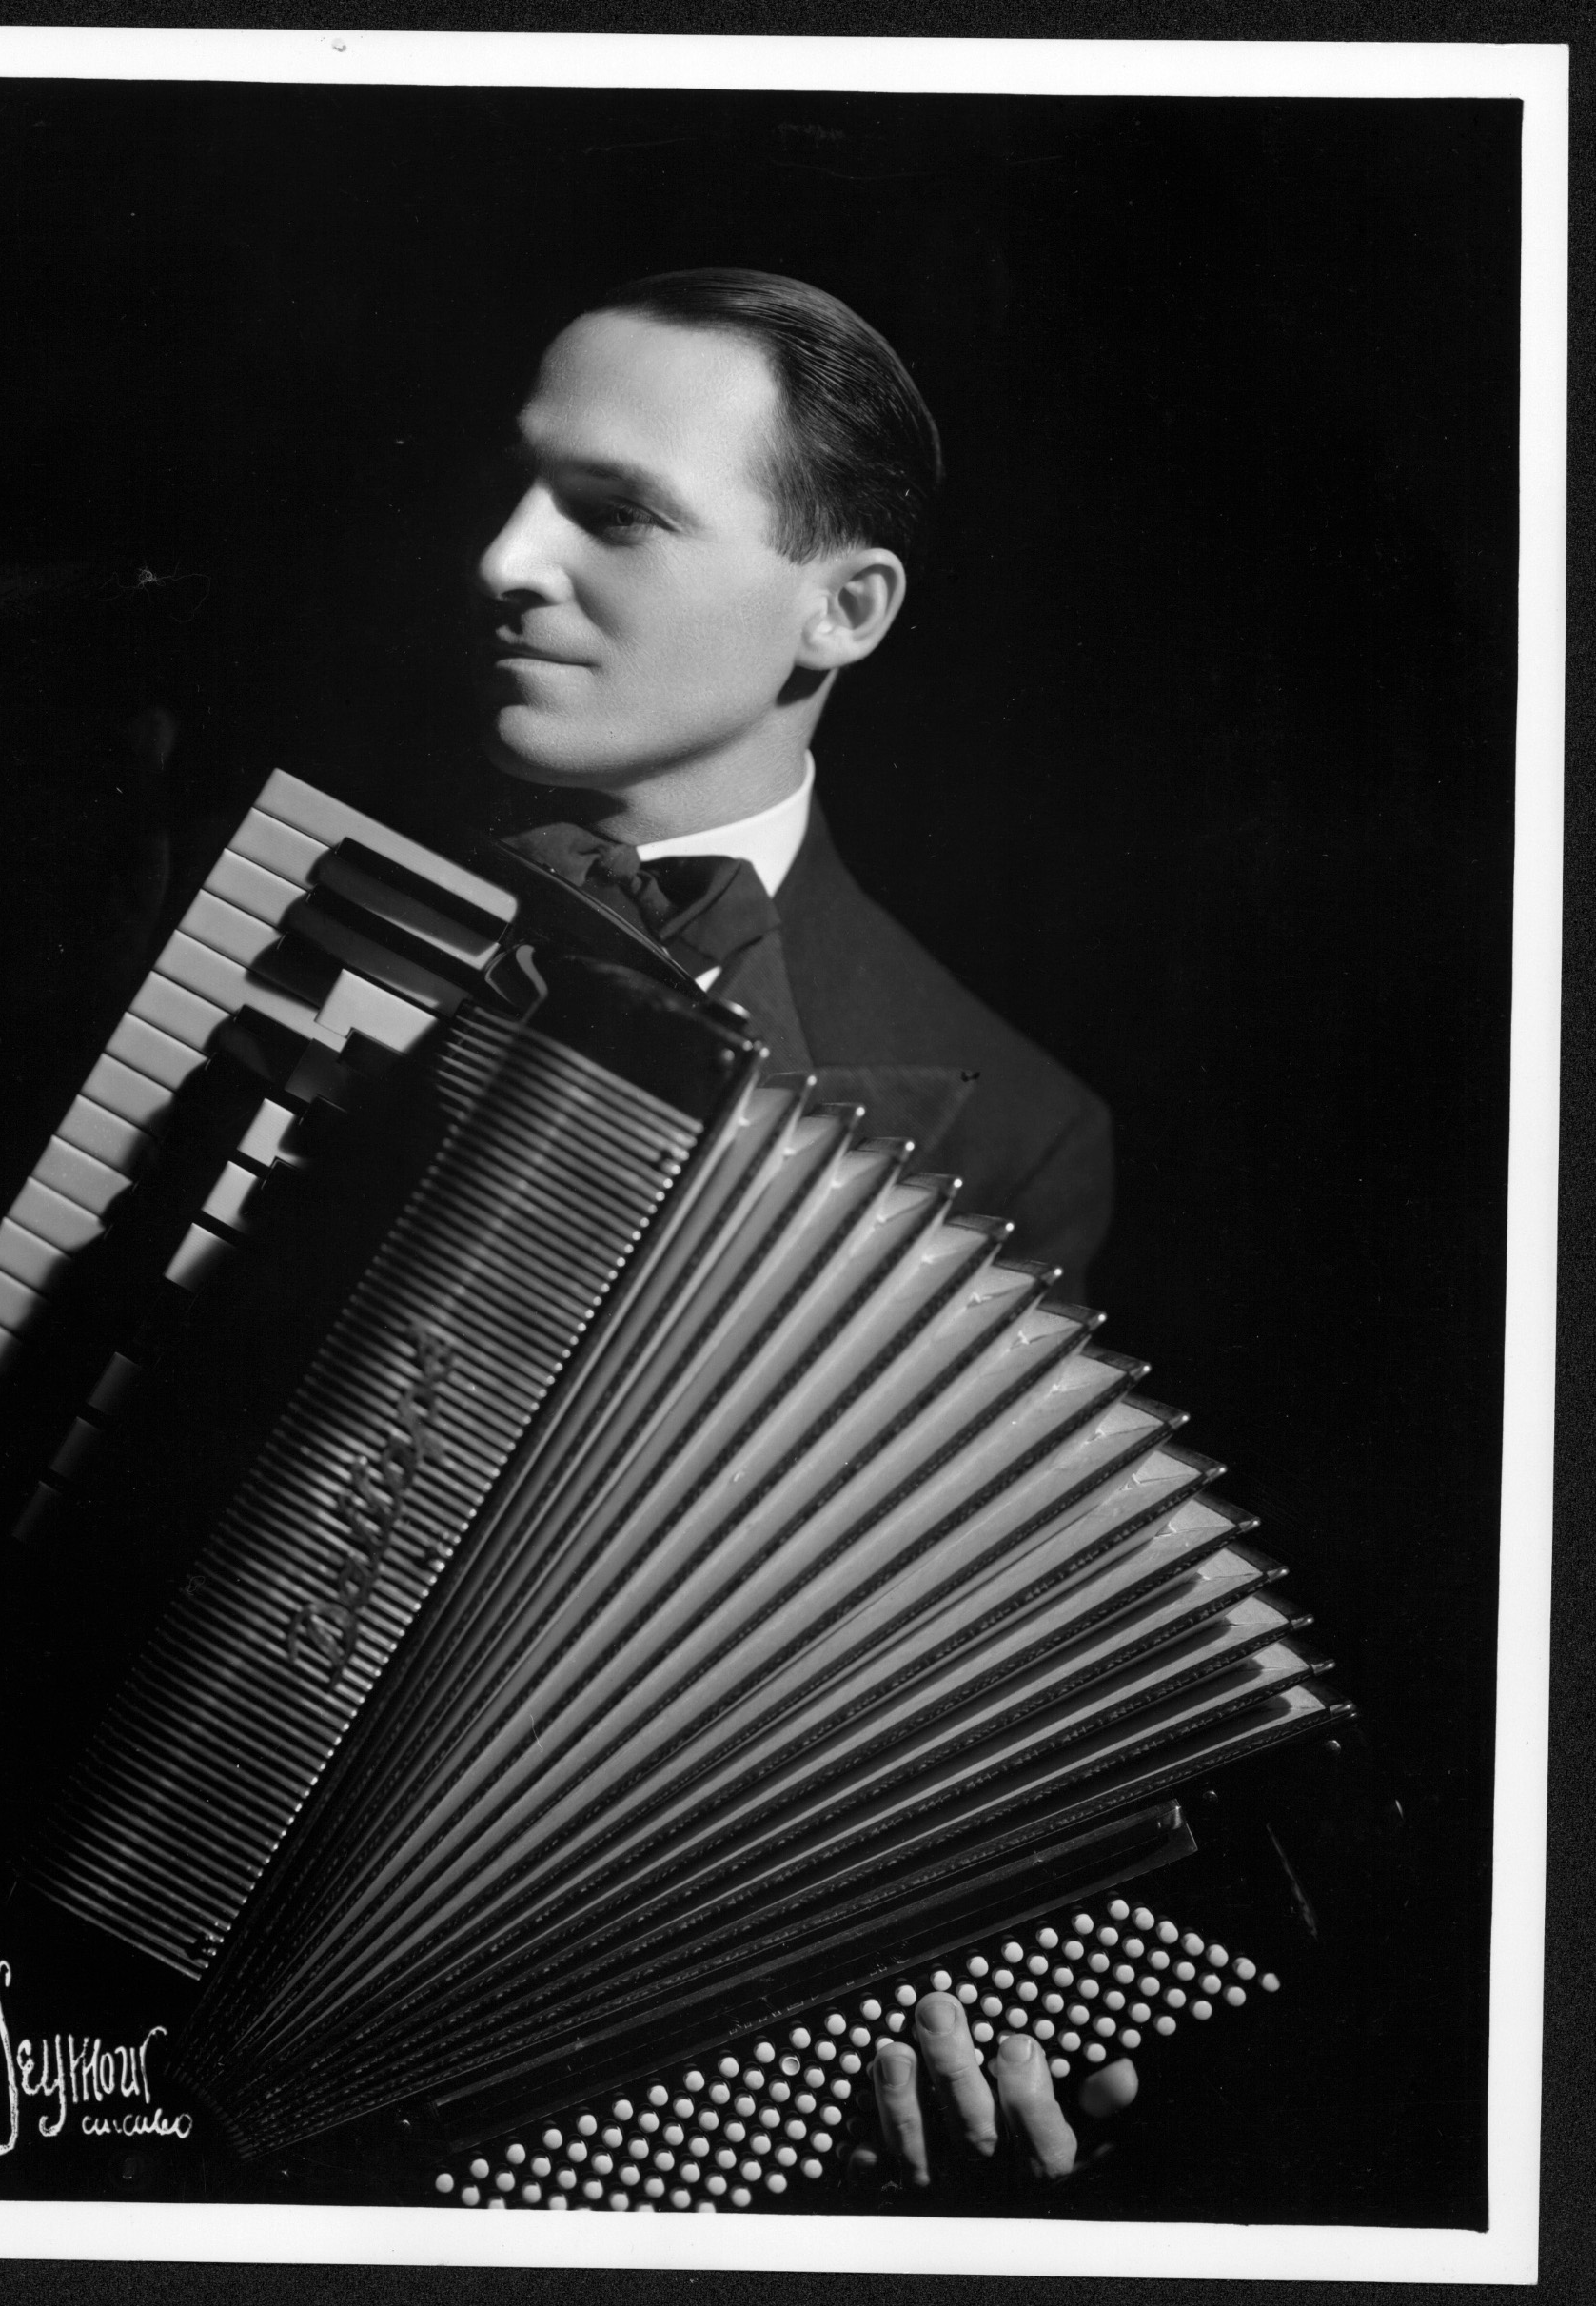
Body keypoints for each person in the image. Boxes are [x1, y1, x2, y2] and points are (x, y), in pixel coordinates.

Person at [468, 266, 1125, 2187]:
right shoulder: (227, 867)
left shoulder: (1007, 1124)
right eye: (518, 491)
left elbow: (893, 1699)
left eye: (614, 514)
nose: (504, 561)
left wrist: (928, 1970)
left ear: (839, 611)